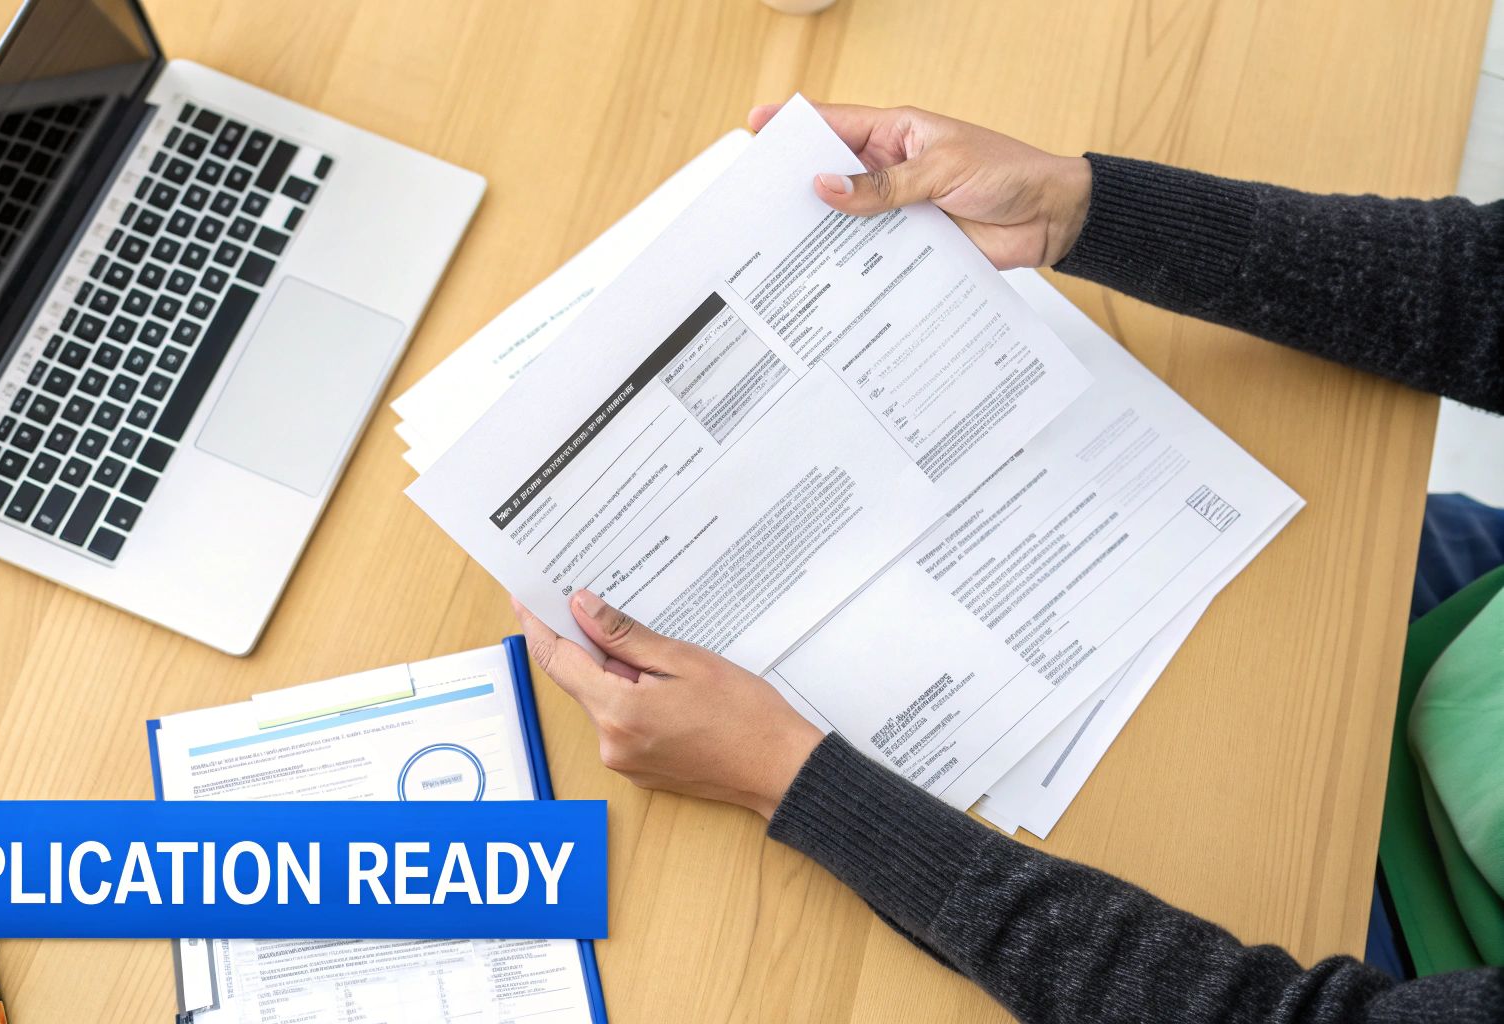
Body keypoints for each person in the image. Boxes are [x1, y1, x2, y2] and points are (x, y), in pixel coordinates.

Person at [512, 102, 1504, 1023]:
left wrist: (786, 778)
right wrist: (1075, 207)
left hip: (1412, 934)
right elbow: (1484, 288)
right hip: (1476, 617)